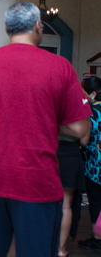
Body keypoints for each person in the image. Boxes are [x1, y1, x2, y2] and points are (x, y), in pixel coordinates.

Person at [0, 1, 91, 257]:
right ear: (38, 27)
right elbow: (81, 128)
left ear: (6, 28)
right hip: (36, 180)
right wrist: (46, 116)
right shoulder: (60, 67)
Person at [78, 76, 101, 251]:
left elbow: (84, 140)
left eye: (85, 94)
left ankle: (97, 238)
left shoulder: (91, 113)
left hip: (94, 165)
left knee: (95, 202)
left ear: (93, 94)